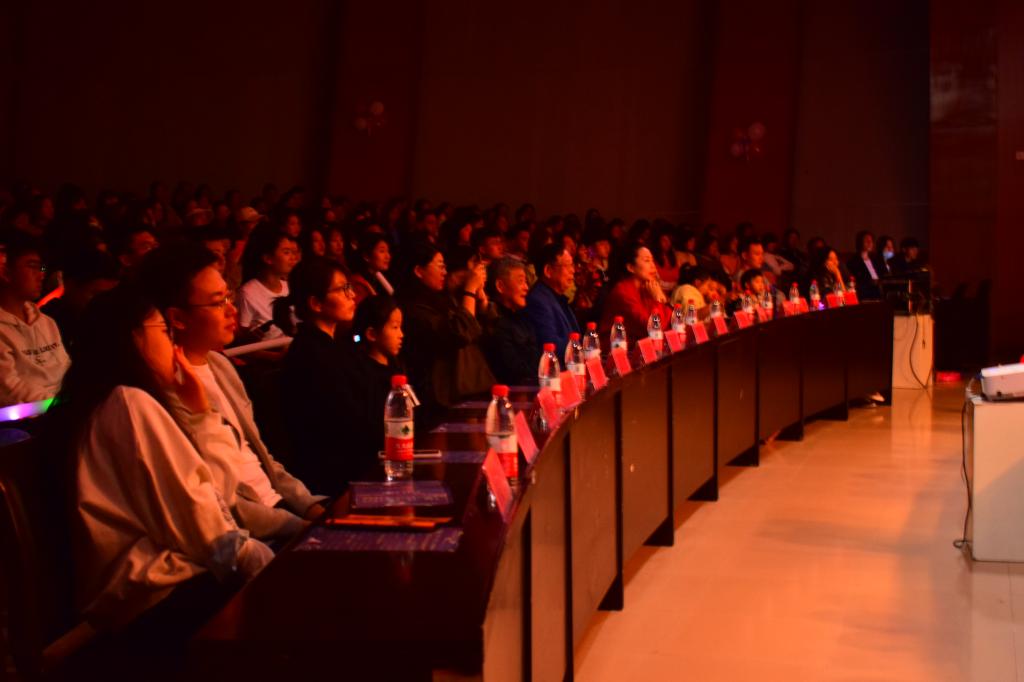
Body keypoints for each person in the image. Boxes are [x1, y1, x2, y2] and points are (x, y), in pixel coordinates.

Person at [57, 285, 273, 640]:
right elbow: (196, 517)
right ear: (133, 338)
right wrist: (254, 558)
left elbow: (216, 495)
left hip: (162, 585)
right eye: (164, 331)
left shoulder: (126, 402)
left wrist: (201, 415)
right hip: (155, 593)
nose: (173, 345)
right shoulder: (129, 404)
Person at [140, 244, 327, 541]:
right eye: (218, 302)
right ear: (177, 318)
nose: (232, 310)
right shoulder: (163, 390)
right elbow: (219, 497)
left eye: (229, 297)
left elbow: (260, 456)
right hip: (248, 536)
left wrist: (310, 506)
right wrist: (297, 526)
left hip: (282, 511)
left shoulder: (219, 365)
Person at [277, 257, 382, 490]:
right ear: (316, 303)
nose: (352, 295)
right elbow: (348, 423)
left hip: (354, 462)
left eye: (350, 287)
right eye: (342, 289)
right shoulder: (311, 354)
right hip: (335, 476)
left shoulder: (335, 345)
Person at [397, 239, 494, 417]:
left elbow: (481, 334)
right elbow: (460, 333)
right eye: (440, 266)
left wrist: (481, 301)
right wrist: (470, 289)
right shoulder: (413, 307)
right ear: (418, 271)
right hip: (442, 398)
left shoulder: (441, 298)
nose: (445, 272)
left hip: (464, 390)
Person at [0, 230, 71, 407]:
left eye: (42, 268)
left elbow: (66, 369)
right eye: (32, 266)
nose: (41, 275)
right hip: (26, 418)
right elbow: (11, 391)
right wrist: (62, 405)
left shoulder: (46, 322)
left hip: (63, 408)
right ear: (5, 272)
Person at [41, 247, 120, 348]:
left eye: (111, 296)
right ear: (70, 285)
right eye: (97, 294)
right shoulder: (45, 325)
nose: (105, 303)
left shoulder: (113, 322)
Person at [599, 241, 671, 344]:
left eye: (652, 260)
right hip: (619, 349)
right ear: (631, 267)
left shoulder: (648, 287)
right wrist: (658, 299)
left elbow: (669, 321)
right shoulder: (622, 292)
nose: (653, 266)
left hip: (645, 345)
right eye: (647, 260)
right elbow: (654, 329)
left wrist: (660, 299)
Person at [483, 257, 540, 386]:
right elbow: (514, 372)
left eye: (526, 282)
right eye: (520, 281)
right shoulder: (495, 323)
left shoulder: (523, 318)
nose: (526, 288)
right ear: (500, 286)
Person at [237, 225, 300, 341]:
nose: (293, 258)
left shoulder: (289, 286)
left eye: (293, 252)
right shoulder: (248, 293)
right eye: (286, 252)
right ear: (268, 258)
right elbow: (243, 337)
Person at [524, 243, 580, 354]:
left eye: (572, 265)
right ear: (548, 271)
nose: (573, 271)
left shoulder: (556, 296)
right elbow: (551, 346)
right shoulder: (537, 301)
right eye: (568, 266)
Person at [349, 233, 395, 304]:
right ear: (366, 256)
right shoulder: (358, 283)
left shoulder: (378, 276)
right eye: (382, 251)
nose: (388, 256)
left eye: (388, 251)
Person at [845, 231, 885, 300]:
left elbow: (882, 274)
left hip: (878, 291)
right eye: (866, 241)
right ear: (860, 243)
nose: (870, 243)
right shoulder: (853, 261)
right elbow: (856, 280)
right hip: (864, 293)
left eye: (871, 241)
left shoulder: (876, 259)